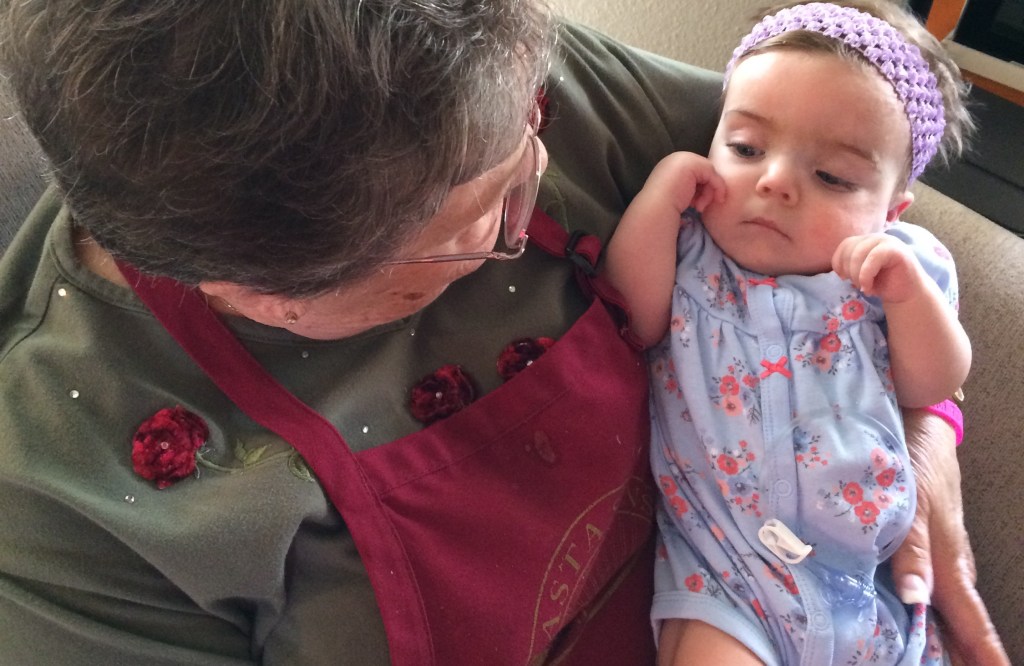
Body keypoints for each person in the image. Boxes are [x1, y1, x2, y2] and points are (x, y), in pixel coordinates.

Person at [0, 1, 1006, 664]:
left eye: (526, 140)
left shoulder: (489, 62)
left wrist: (924, 427)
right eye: (480, 219)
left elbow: (847, 170)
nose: (536, 182)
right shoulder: (61, 513)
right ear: (266, 297)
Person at [603, 1, 998, 664]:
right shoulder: (691, 246)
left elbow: (932, 384)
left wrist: (908, 297)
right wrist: (658, 198)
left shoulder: (897, 272)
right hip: (726, 575)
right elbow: (632, 321)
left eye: (833, 177)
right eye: (745, 148)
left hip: (870, 592)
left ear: (891, 211)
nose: (776, 180)